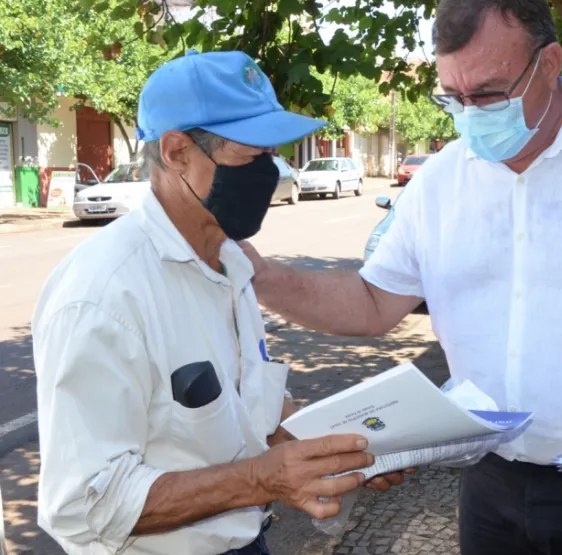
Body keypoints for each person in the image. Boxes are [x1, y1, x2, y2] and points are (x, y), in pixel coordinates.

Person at [241, 0, 562, 553]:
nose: (470, 113)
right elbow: (371, 303)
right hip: (491, 483)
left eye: (488, 93)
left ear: (550, 63)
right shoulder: (439, 181)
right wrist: (263, 276)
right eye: (452, 98)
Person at [32, 50, 402, 555]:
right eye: (251, 158)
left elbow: (249, 419)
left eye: (272, 155)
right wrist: (259, 481)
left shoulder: (230, 262)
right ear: (177, 151)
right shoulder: (102, 295)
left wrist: (339, 450)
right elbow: (83, 503)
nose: (269, 173)